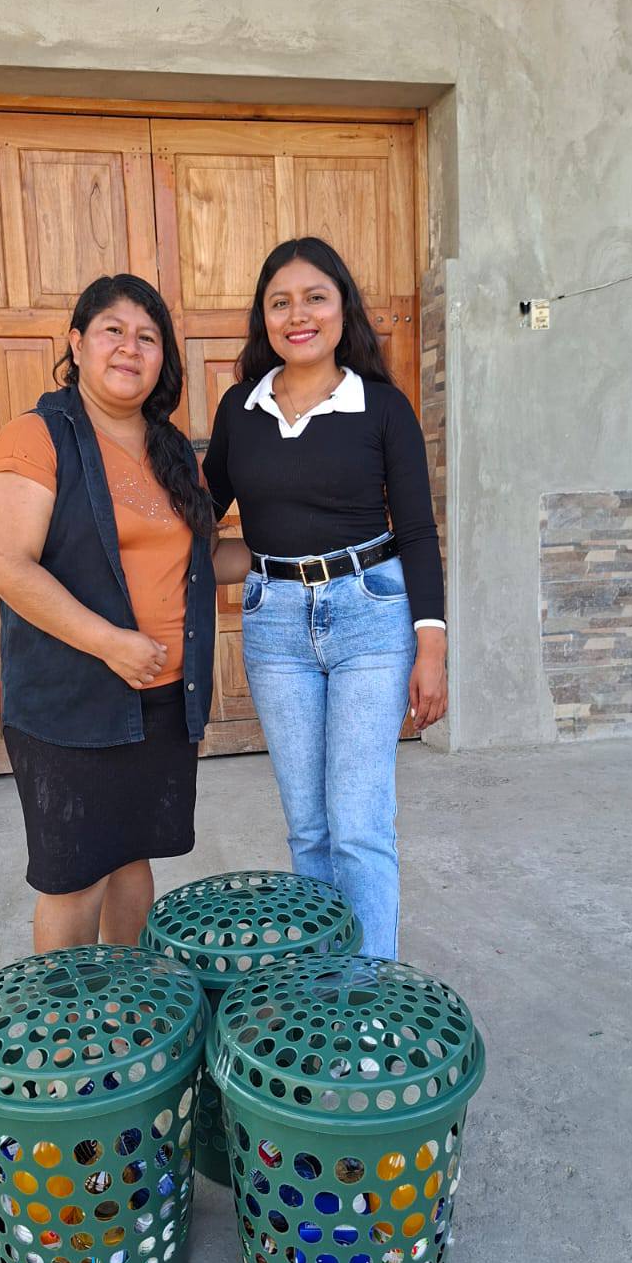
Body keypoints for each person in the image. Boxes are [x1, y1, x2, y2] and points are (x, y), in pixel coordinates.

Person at [202, 237, 447, 960]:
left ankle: (368, 996)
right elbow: (197, 519)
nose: (297, 314)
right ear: (264, 318)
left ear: (343, 309)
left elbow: (418, 530)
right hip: (275, 624)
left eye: (315, 297)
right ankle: (321, 987)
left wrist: (431, 645)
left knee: (358, 825)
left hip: (372, 616)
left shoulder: (382, 407)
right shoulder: (241, 410)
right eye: (280, 302)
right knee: (309, 828)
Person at [0, 273, 229, 954]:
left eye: (147, 337)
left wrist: (309, 552)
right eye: (112, 330)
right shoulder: (36, 437)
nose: (130, 347)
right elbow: (5, 564)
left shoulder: (172, 452)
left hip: (162, 699)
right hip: (73, 703)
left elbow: (203, 560)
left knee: (131, 859)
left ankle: (132, 1005)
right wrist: (111, 643)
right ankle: (66, 1017)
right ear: (76, 343)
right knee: (75, 878)